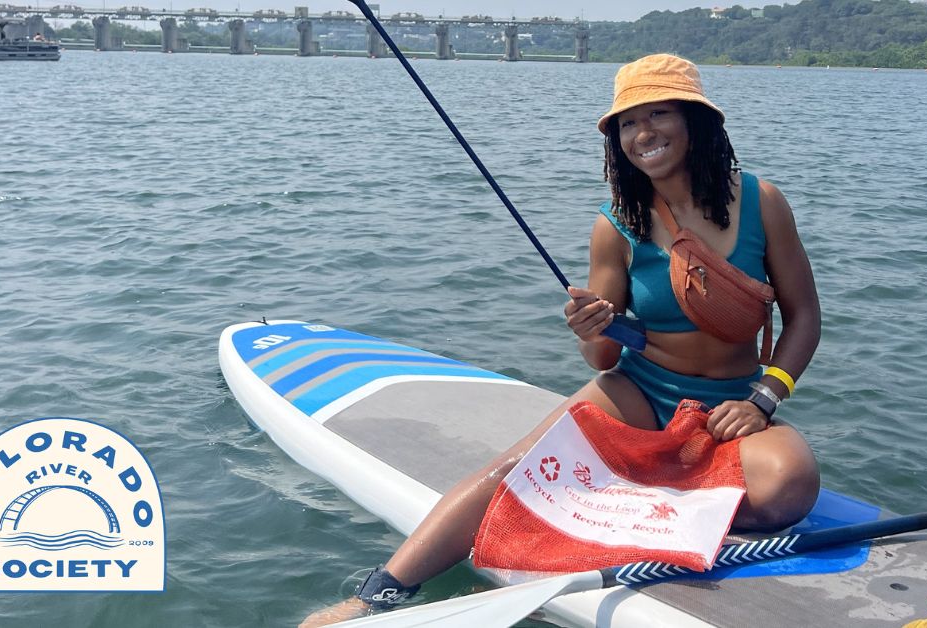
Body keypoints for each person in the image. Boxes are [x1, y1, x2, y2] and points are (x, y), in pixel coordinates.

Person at [299, 53, 821, 627]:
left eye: (659, 113)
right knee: (516, 469)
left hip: (732, 404)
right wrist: (591, 327)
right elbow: (602, 356)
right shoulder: (615, 225)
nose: (642, 133)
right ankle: (381, 593)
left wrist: (763, 399)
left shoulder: (763, 201)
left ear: (696, 120)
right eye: (627, 123)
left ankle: (618, 503)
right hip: (639, 392)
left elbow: (804, 317)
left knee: (789, 487)